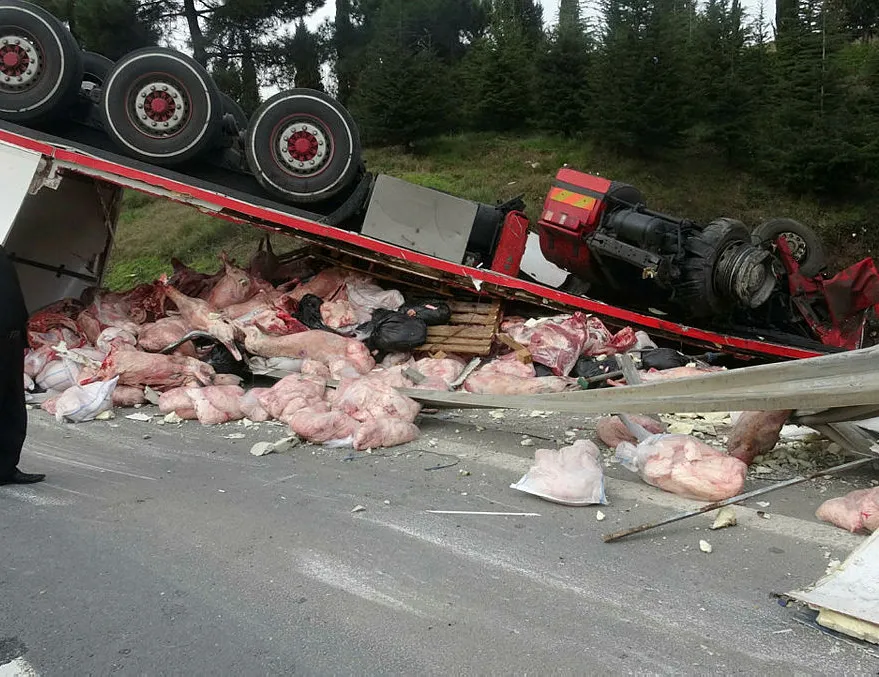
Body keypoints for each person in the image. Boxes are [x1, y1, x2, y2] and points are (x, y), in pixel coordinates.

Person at [0, 244, 44, 485]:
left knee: (11, 409)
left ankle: (5, 468)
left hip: (11, 340)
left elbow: (12, 296)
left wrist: (22, 335)